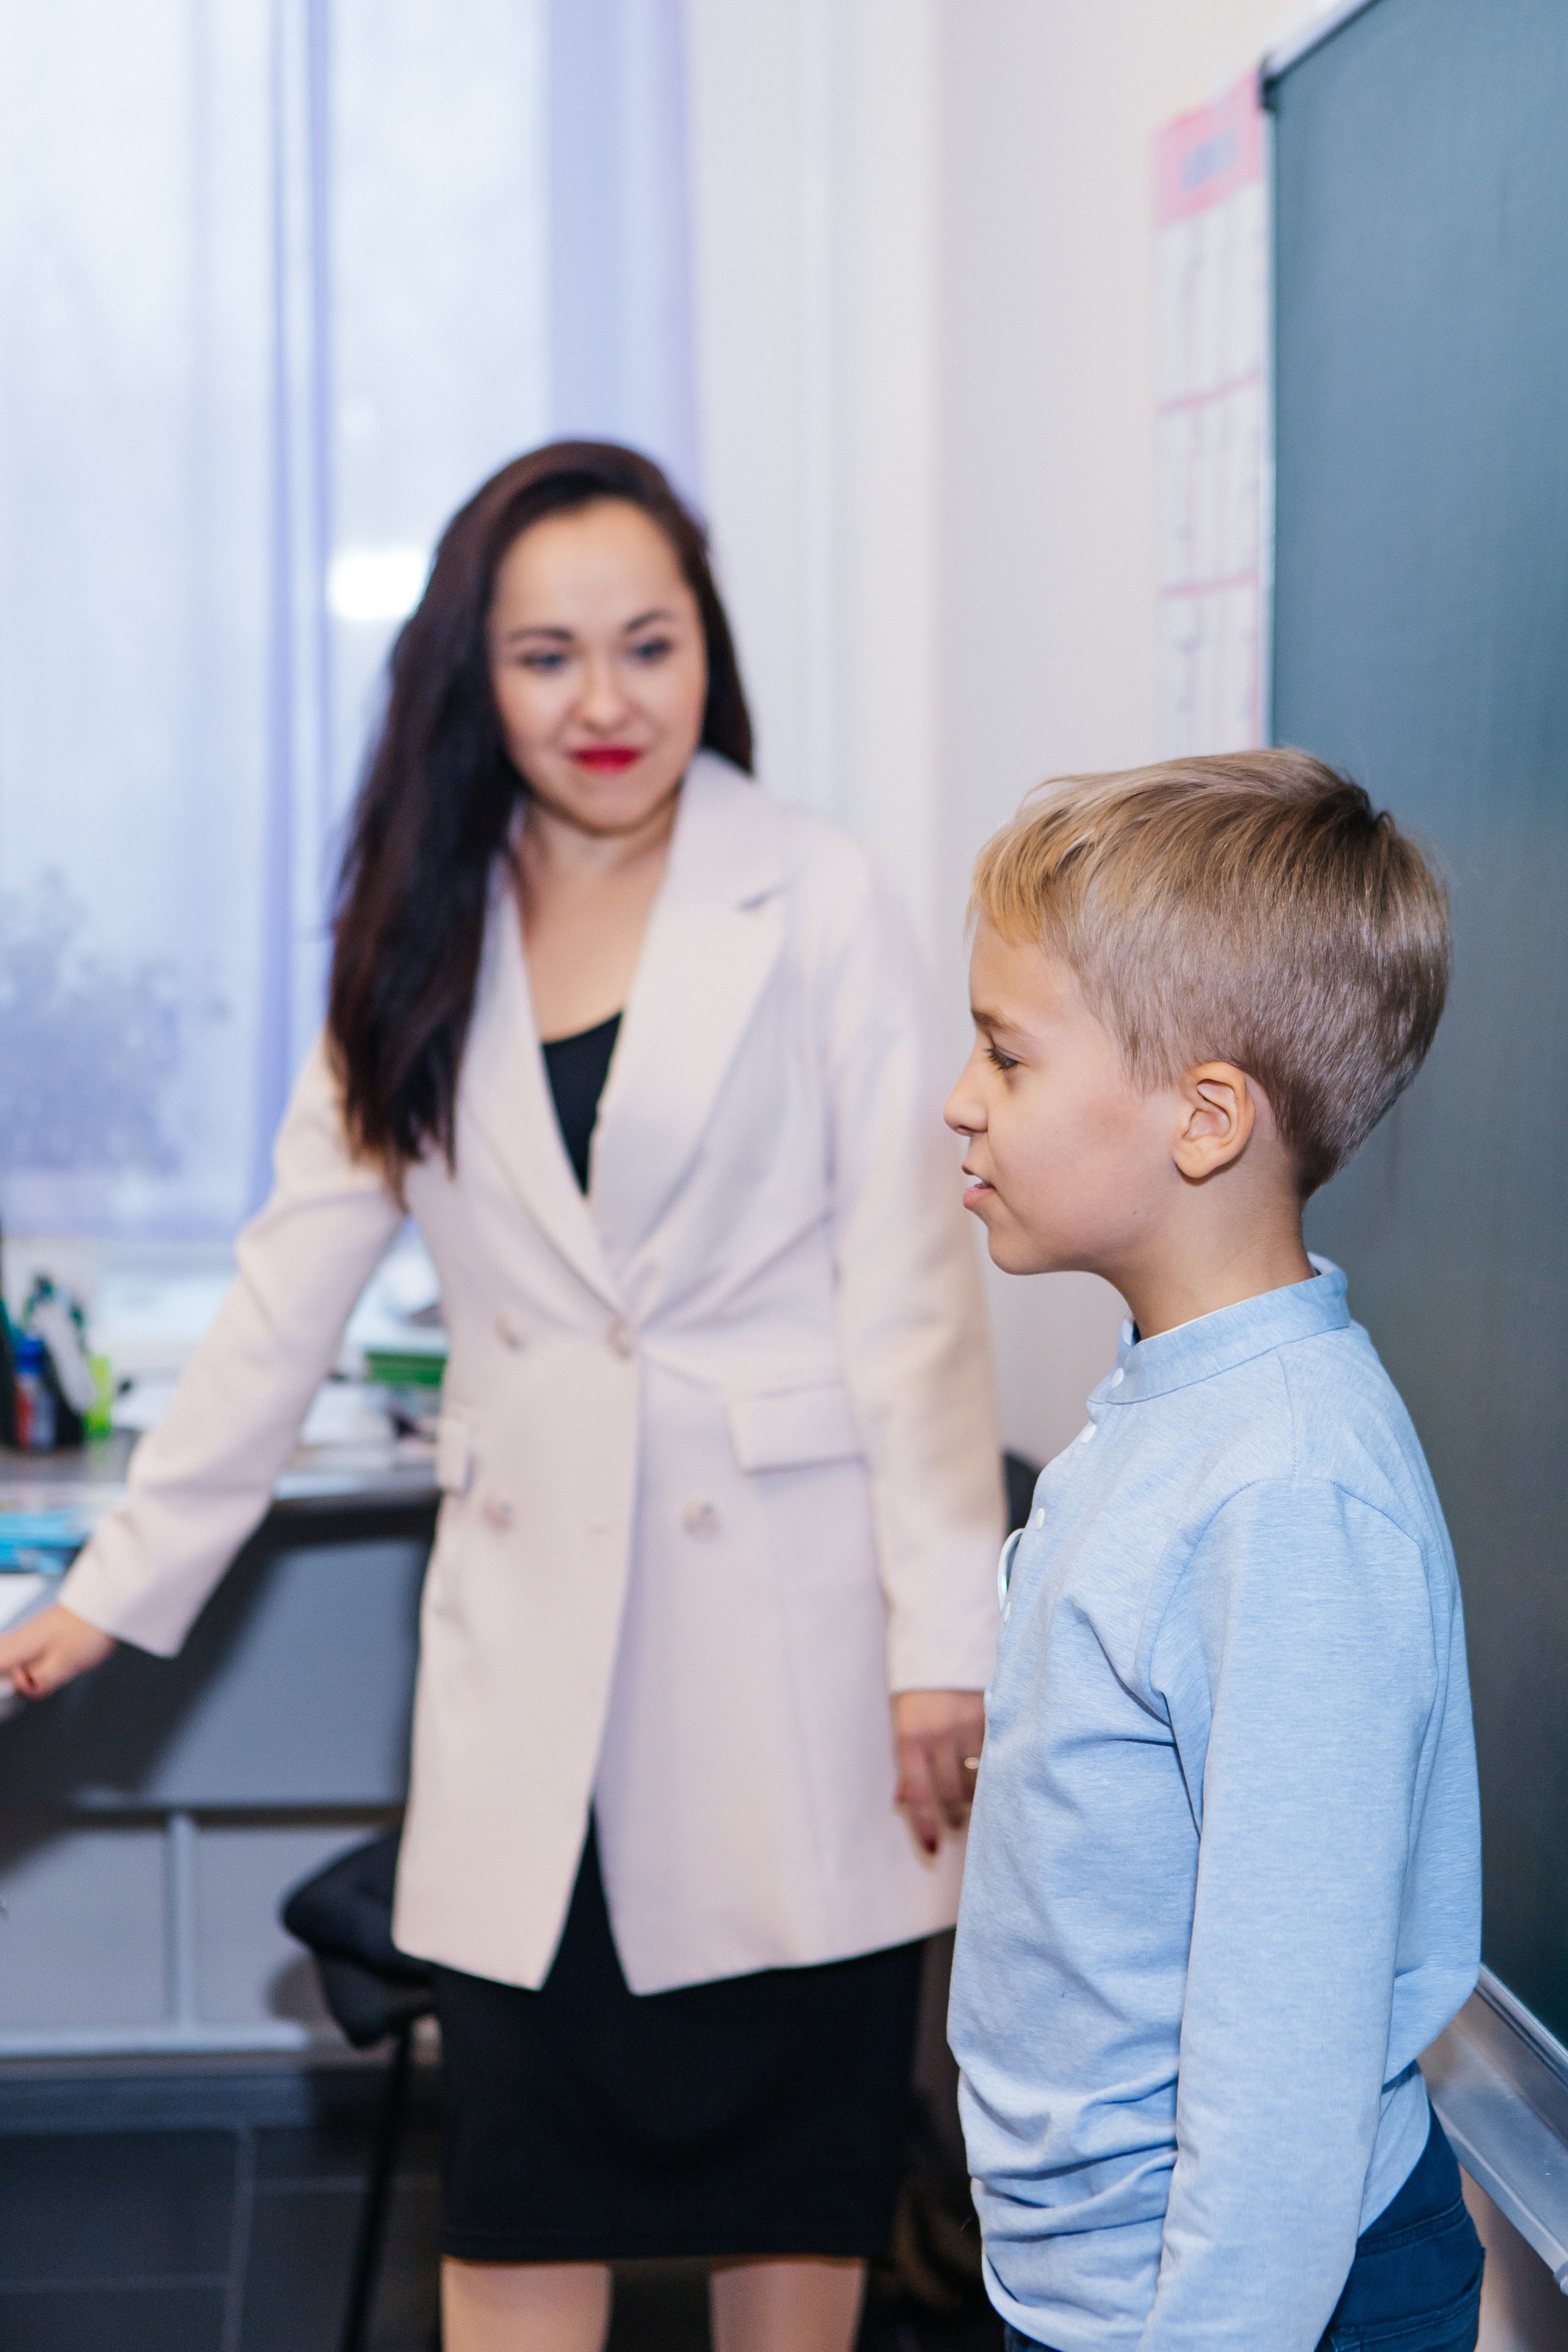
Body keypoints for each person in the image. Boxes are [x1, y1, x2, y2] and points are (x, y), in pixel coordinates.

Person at [0, 442, 1003, 2352]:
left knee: (792, 2235)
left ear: (710, 642)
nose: (607, 701)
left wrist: (946, 1637)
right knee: (520, 2218)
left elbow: (914, 1299)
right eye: (549, 657)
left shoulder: (821, 894)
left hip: (796, 1669)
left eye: (650, 641)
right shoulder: (414, 921)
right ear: (475, 675)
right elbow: (287, 1285)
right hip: (537, 1684)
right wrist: (113, 1589)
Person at [942, 752, 1484, 2352]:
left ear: (1203, 1121)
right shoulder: (1172, 1420)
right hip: (1099, 2282)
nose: (961, 1098)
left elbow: (1279, 2091)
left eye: (1007, 1055)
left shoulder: (1286, 1500)